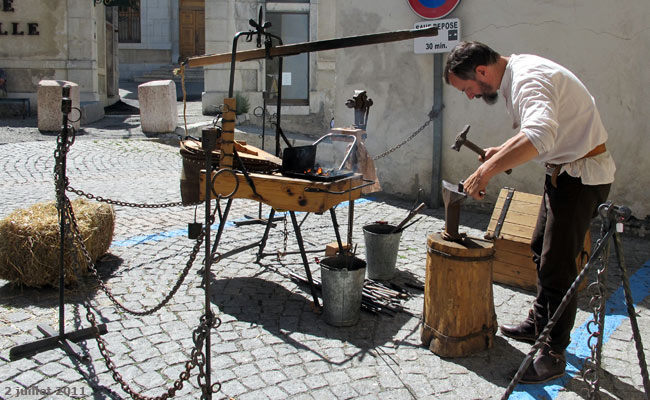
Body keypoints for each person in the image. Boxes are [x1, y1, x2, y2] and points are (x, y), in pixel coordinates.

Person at [443, 41, 615, 383]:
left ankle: (553, 352)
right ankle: (540, 320)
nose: (470, 96)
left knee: (557, 264)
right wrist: (498, 153)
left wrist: (485, 172)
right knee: (540, 248)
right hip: (562, 174)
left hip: (581, 179)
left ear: (481, 71)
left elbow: (539, 136)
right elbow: (532, 132)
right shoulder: (516, 73)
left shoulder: (527, 79)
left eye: (467, 88)